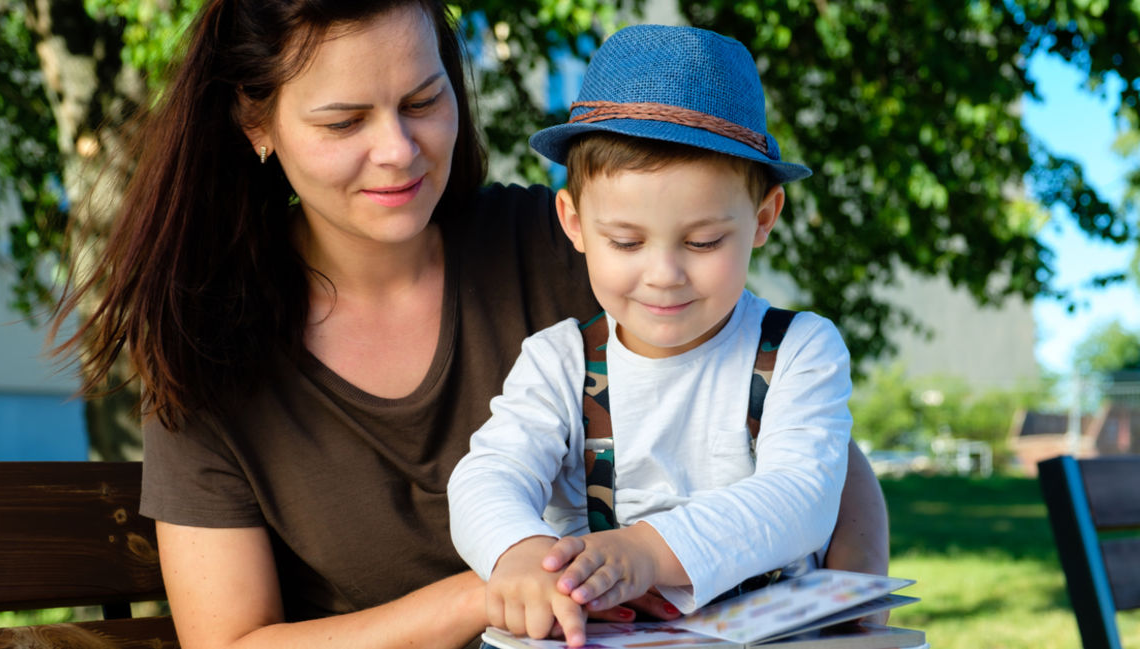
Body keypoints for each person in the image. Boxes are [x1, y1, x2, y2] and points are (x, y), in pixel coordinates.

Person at [49, 1, 888, 648]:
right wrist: (481, 592)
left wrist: (847, 619)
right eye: (345, 121)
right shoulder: (210, 351)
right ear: (256, 123)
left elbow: (804, 452)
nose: (400, 151)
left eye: (422, 100)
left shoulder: (577, 249)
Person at [448, 25, 853, 648]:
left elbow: (802, 495)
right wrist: (520, 551)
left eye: (703, 242)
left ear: (764, 219)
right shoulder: (558, 363)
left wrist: (645, 550)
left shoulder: (799, 350)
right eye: (626, 242)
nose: (664, 275)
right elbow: (487, 476)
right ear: (575, 224)